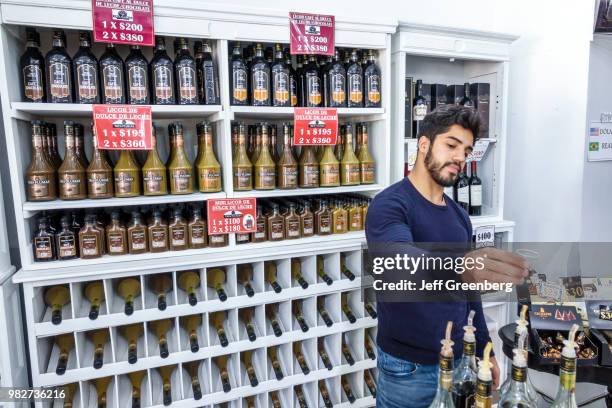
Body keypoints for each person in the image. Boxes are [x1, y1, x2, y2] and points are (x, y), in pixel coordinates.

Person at [365, 105, 528, 408]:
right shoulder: (390, 205)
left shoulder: (459, 216)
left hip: (459, 363)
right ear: (424, 144)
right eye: (451, 145)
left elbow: (469, 295)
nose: (459, 157)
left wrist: (484, 348)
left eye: (466, 151)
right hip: (408, 368)